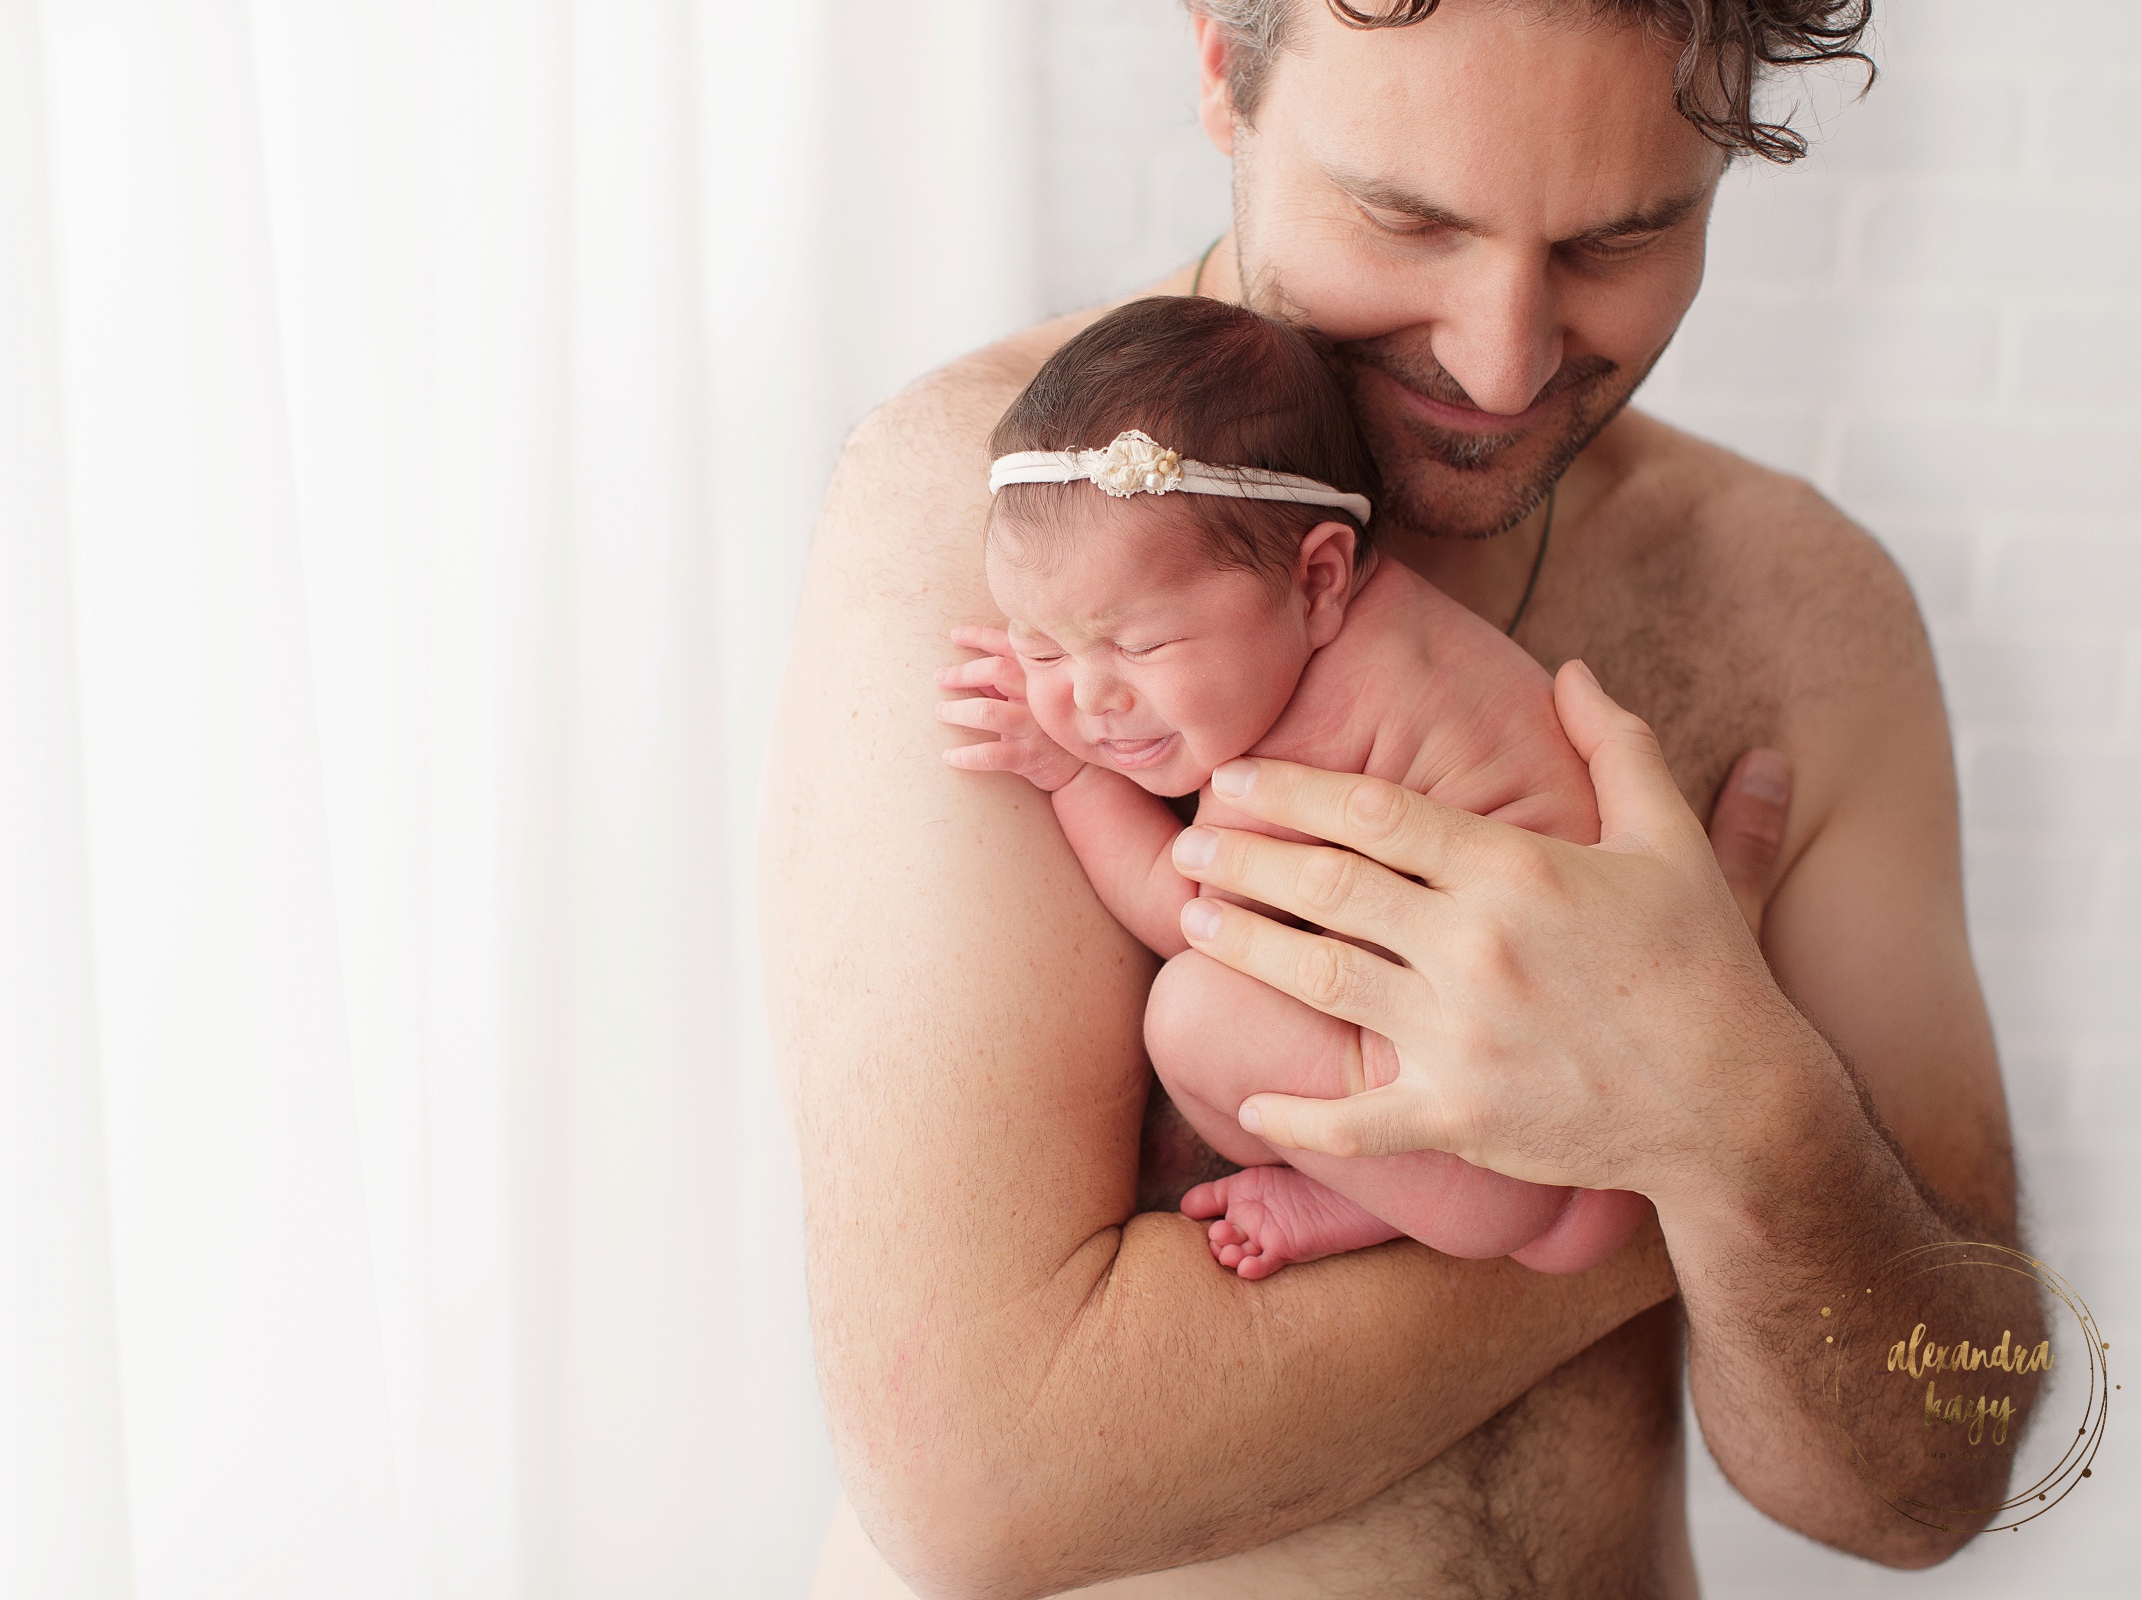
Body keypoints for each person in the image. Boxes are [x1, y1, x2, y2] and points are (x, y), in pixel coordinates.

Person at [762, 1, 2036, 1594]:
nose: (1499, 358)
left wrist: (1747, 1113)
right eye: (1406, 216)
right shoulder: (1002, 538)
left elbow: (1937, 1467)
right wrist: (1680, 1166)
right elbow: (981, 1481)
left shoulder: (1800, 613)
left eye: (1621, 236)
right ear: (1225, 68)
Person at [939, 294, 1650, 1278]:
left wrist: (1067, 777)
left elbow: (1198, 915)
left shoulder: (1318, 726)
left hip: (1507, 1141)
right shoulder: (1399, 636)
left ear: (1318, 583)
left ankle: (1361, 1194)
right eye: (1040, 647)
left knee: (1193, 1008)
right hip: (1589, 1076)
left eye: (1139, 643)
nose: (1088, 699)